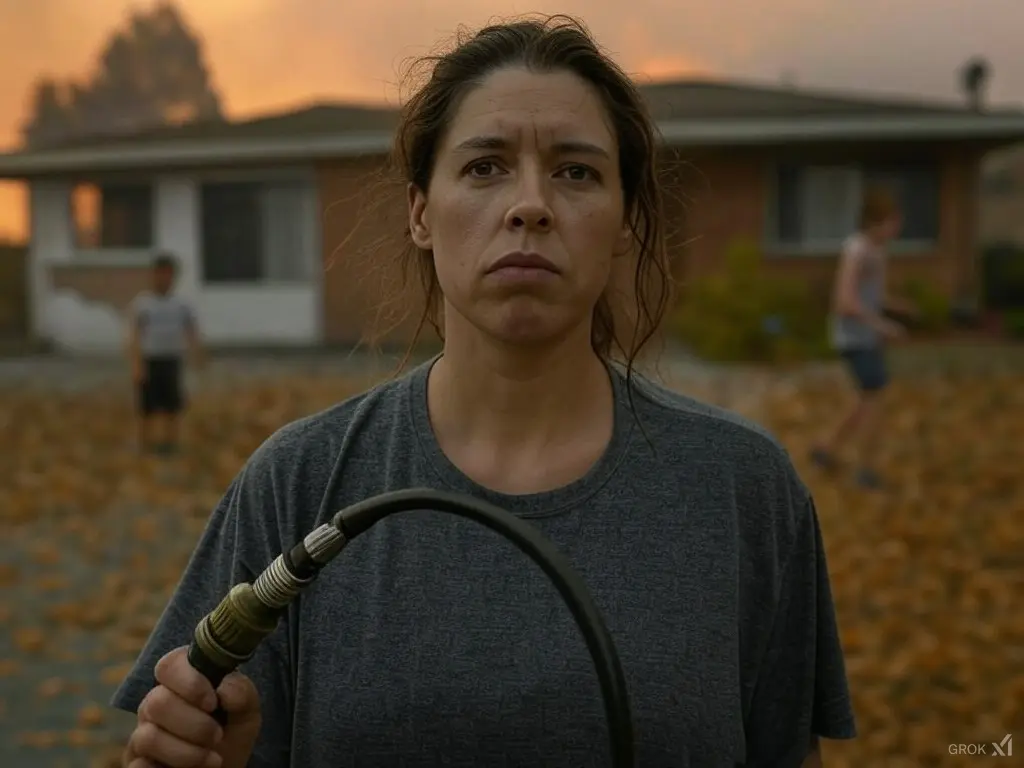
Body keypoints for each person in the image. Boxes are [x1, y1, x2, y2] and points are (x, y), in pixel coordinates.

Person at [113, 15, 855, 768]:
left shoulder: (743, 488)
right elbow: (193, 730)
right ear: (421, 213)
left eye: (576, 172)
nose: (529, 205)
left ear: (627, 220)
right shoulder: (297, 483)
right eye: (484, 167)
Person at [810, 187, 915, 490]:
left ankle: (825, 449)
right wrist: (883, 326)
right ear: (876, 221)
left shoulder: (876, 252)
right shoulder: (856, 250)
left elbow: (873, 296)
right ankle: (866, 471)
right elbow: (845, 301)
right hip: (854, 338)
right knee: (874, 399)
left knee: (864, 400)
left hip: (866, 337)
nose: (897, 228)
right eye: (893, 221)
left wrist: (898, 307)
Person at [126, 253, 203, 455]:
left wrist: (197, 354)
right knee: (146, 407)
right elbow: (135, 334)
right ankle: (144, 443)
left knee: (173, 405)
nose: (164, 279)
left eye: (168, 274)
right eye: (160, 274)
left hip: (172, 359)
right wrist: (136, 364)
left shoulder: (182, 304)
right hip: (150, 359)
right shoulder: (143, 303)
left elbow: (191, 330)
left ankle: (170, 444)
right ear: (153, 275)